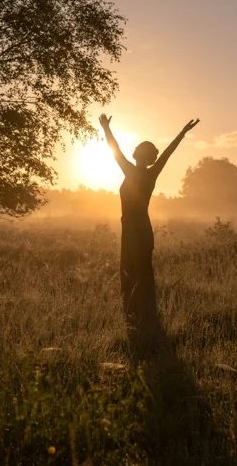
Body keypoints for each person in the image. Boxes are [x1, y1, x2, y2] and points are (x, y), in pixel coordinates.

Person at [99, 113, 200, 330]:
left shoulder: (131, 170)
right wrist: (182, 133)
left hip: (134, 228)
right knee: (141, 270)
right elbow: (167, 153)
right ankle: (143, 313)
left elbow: (114, 148)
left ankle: (136, 314)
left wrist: (106, 127)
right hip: (139, 227)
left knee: (131, 269)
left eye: (141, 152)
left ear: (138, 155)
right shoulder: (150, 173)